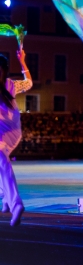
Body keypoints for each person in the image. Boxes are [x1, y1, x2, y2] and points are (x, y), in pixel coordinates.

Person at [0, 47, 31, 226]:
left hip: (7, 132)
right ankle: (6, 199)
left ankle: (15, 203)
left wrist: (22, 61)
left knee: (2, 161)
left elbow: (28, 83)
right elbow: (29, 83)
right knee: (1, 162)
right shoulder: (10, 83)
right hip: (6, 132)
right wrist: (22, 62)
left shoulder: (10, 84)